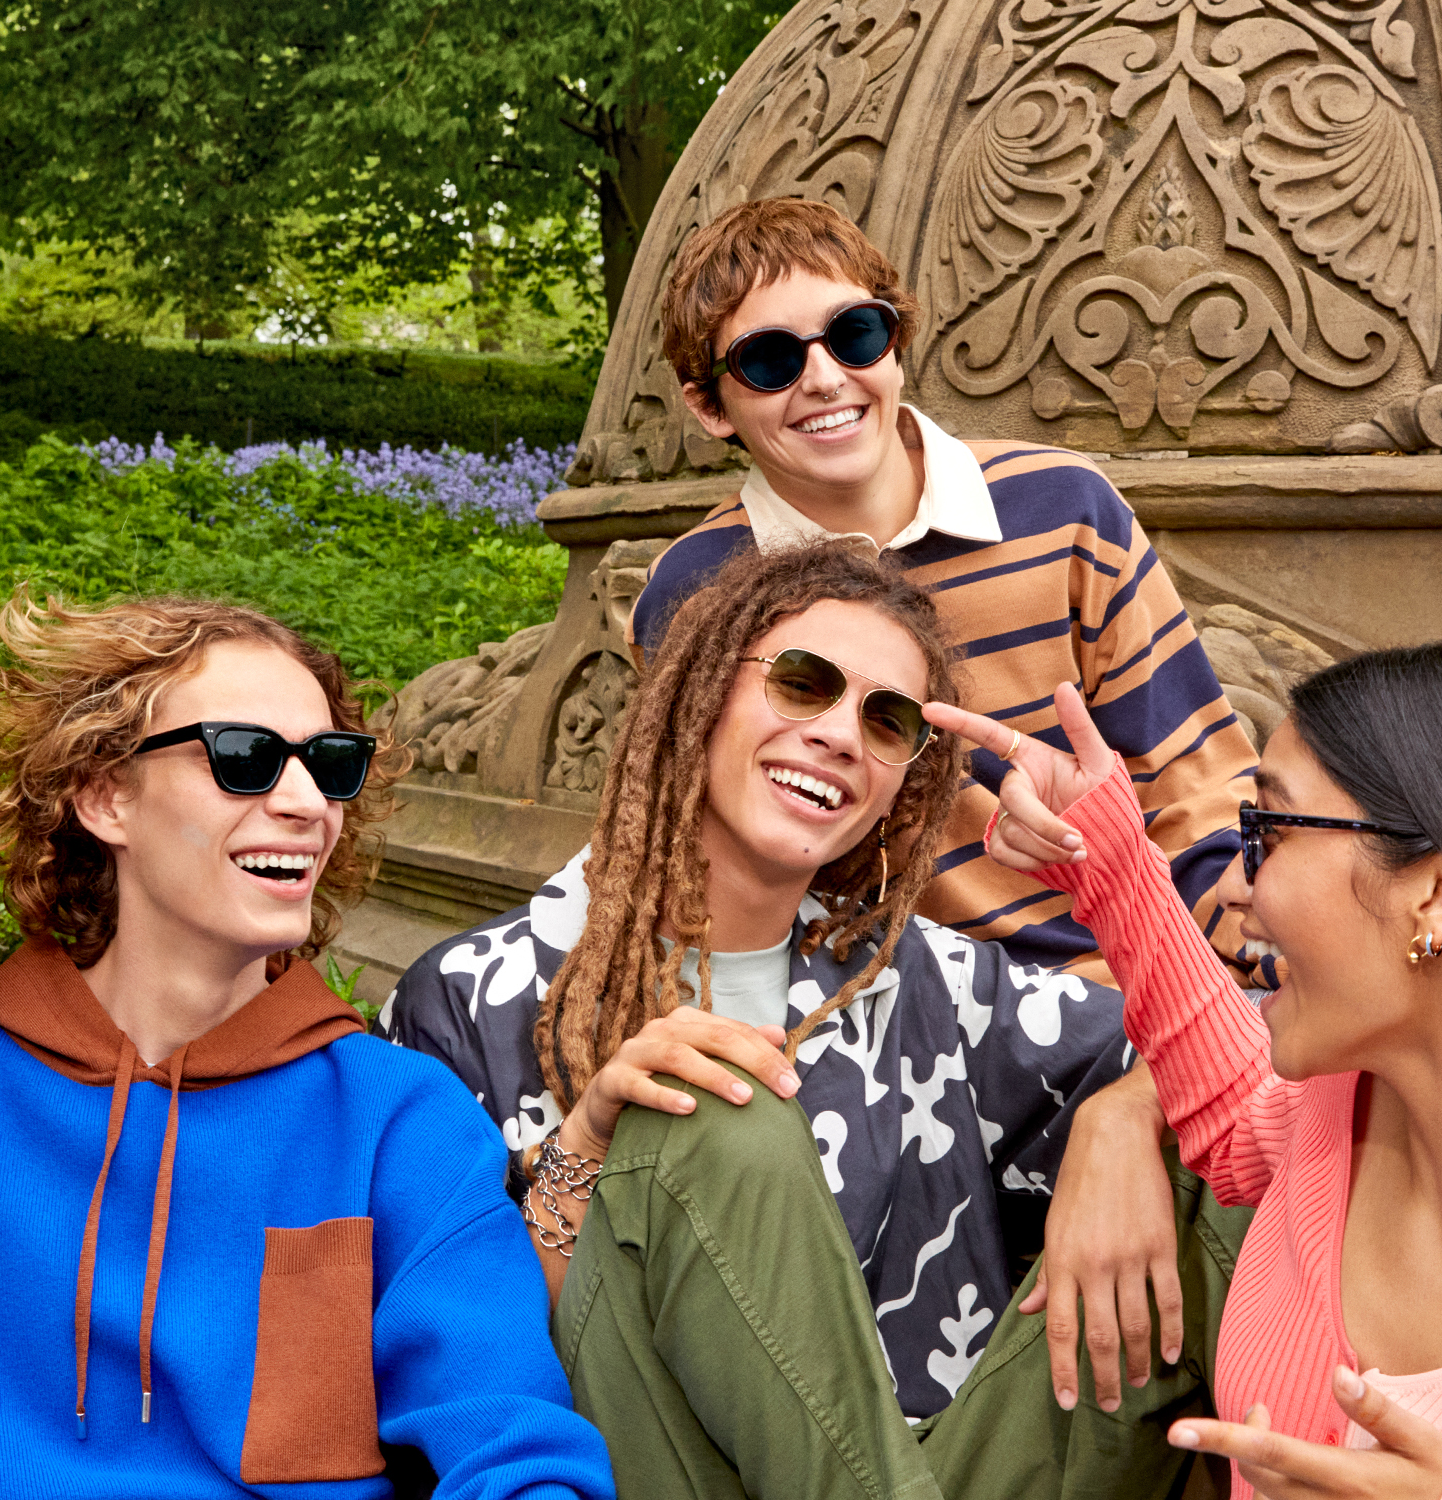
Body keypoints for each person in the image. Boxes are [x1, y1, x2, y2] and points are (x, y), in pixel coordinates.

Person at [0, 595, 616, 1499]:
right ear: (103, 797)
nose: (304, 802)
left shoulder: (398, 1120)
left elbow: (510, 1439)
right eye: (244, 756)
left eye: (329, 765)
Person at [386, 540, 1250, 1496]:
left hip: (940, 1461)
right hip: (656, 1470)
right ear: (703, 695)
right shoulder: (474, 994)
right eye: (803, 684)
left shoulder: (929, 984)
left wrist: (1127, 1113)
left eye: (888, 721)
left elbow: (1265, 1048)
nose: (841, 735)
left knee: (1219, 1155)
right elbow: (464, 1366)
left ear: (904, 784)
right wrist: (589, 1144)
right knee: (710, 1106)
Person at [630, 196, 1259, 987]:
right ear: (708, 405)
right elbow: (711, 859)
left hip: (1138, 981)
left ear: (896, 343)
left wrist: (1247, 970)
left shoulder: (1063, 507)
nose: (825, 379)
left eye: (855, 334)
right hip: (877, 1019)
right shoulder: (697, 592)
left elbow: (1198, 788)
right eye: (769, 360)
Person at [934, 646, 1442, 1499]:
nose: (1236, 885)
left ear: (1428, 895)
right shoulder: (1340, 1102)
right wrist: (1107, 860)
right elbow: (1239, 1115)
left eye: (1270, 834)